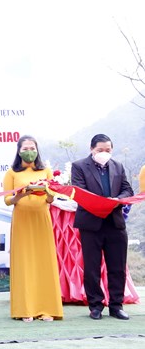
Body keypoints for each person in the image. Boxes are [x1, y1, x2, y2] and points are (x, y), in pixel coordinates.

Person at [71, 134, 134, 320]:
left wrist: (116, 200)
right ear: (91, 149)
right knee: (92, 267)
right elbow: (80, 191)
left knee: (117, 267)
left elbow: (127, 189)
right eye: (100, 150)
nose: (104, 153)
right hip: (91, 223)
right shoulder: (79, 166)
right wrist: (102, 203)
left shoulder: (118, 166)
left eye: (108, 150)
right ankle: (95, 306)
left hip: (114, 223)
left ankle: (116, 305)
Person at [3, 135, 63, 322]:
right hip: (22, 220)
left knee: (44, 262)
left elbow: (52, 198)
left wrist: (48, 192)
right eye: (25, 148)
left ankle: (47, 308)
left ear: (37, 150)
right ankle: (25, 309)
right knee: (24, 263)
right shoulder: (12, 173)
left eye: (32, 148)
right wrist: (22, 194)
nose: (29, 151)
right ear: (19, 151)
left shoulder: (46, 171)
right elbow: (7, 200)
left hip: (42, 219)